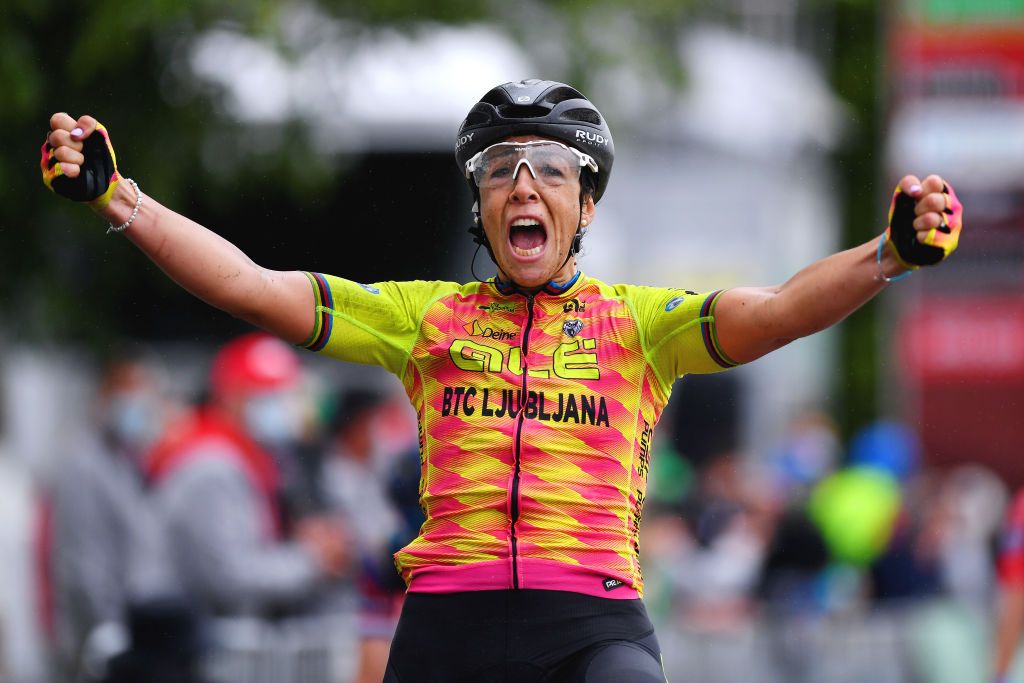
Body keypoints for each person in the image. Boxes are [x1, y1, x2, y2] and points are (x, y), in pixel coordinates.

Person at [40, 78, 963, 682]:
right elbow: (252, 285)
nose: (524, 185)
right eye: (499, 171)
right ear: (480, 207)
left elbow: (779, 310)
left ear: (586, 203)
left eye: (552, 170)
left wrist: (889, 251)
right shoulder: (425, 317)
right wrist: (123, 200)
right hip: (449, 627)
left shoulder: (643, 325)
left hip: (592, 629)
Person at [142, 333, 349, 619]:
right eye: (270, 395)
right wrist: (312, 560)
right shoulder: (211, 465)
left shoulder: (245, 457)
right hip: (179, 642)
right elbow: (230, 578)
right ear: (231, 397)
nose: (285, 406)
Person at [44, 356, 180, 681]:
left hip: (135, 630)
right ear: (105, 400)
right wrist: (104, 624)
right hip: (101, 634)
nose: (140, 409)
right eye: (130, 398)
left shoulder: (128, 460)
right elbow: (83, 557)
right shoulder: (85, 464)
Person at [320, 387, 406, 683]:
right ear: (356, 425)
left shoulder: (383, 465)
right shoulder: (327, 475)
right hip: (341, 603)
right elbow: (342, 543)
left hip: (380, 599)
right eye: (373, 421)